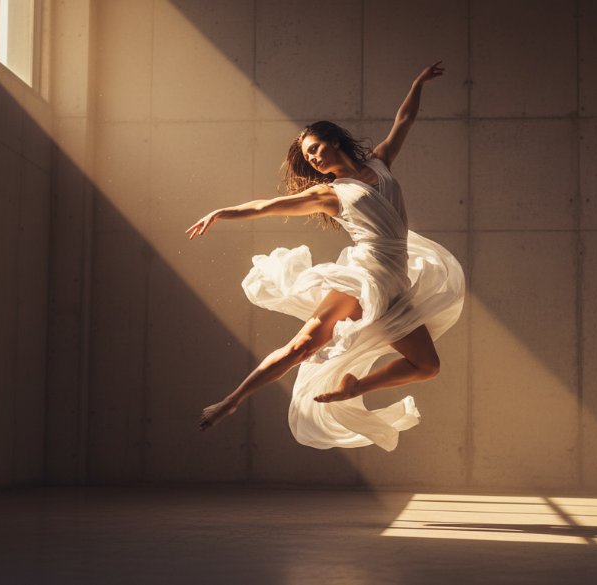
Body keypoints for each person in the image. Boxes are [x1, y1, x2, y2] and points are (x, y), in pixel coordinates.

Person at [185, 61, 465, 451]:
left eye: (316, 148)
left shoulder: (380, 163)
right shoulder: (328, 194)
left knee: (427, 366)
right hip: (363, 277)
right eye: (309, 156)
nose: (314, 159)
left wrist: (418, 83)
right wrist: (222, 212)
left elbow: (405, 119)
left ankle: (355, 387)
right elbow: (267, 206)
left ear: (334, 141)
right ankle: (231, 401)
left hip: (395, 283)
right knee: (303, 347)